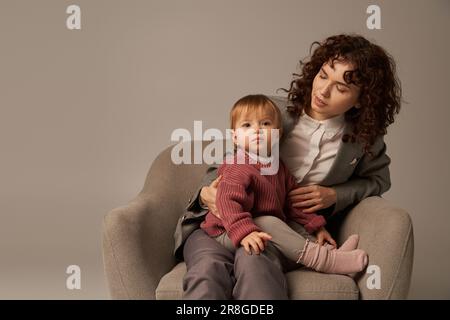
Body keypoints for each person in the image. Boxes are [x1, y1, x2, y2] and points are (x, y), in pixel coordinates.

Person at [174, 34, 401, 299]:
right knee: (208, 269)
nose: (323, 91)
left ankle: (326, 259)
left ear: (362, 99)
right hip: (223, 221)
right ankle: (327, 260)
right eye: (324, 75)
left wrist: (334, 196)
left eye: (341, 88)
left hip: (287, 228)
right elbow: (225, 165)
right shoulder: (270, 113)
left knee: (255, 262)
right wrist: (205, 195)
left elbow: (379, 180)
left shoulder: (365, 139)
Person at [200, 94, 367, 277]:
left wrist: (316, 226)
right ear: (235, 138)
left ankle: (332, 255)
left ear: (278, 133)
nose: (257, 130)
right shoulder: (237, 165)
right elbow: (227, 202)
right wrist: (243, 232)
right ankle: (326, 262)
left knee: (295, 228)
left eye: (265, 124)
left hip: (263, 227)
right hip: (227, 231)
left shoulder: (278, 166)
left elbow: (293, 200)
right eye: (247, 125)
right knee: (267, 221)